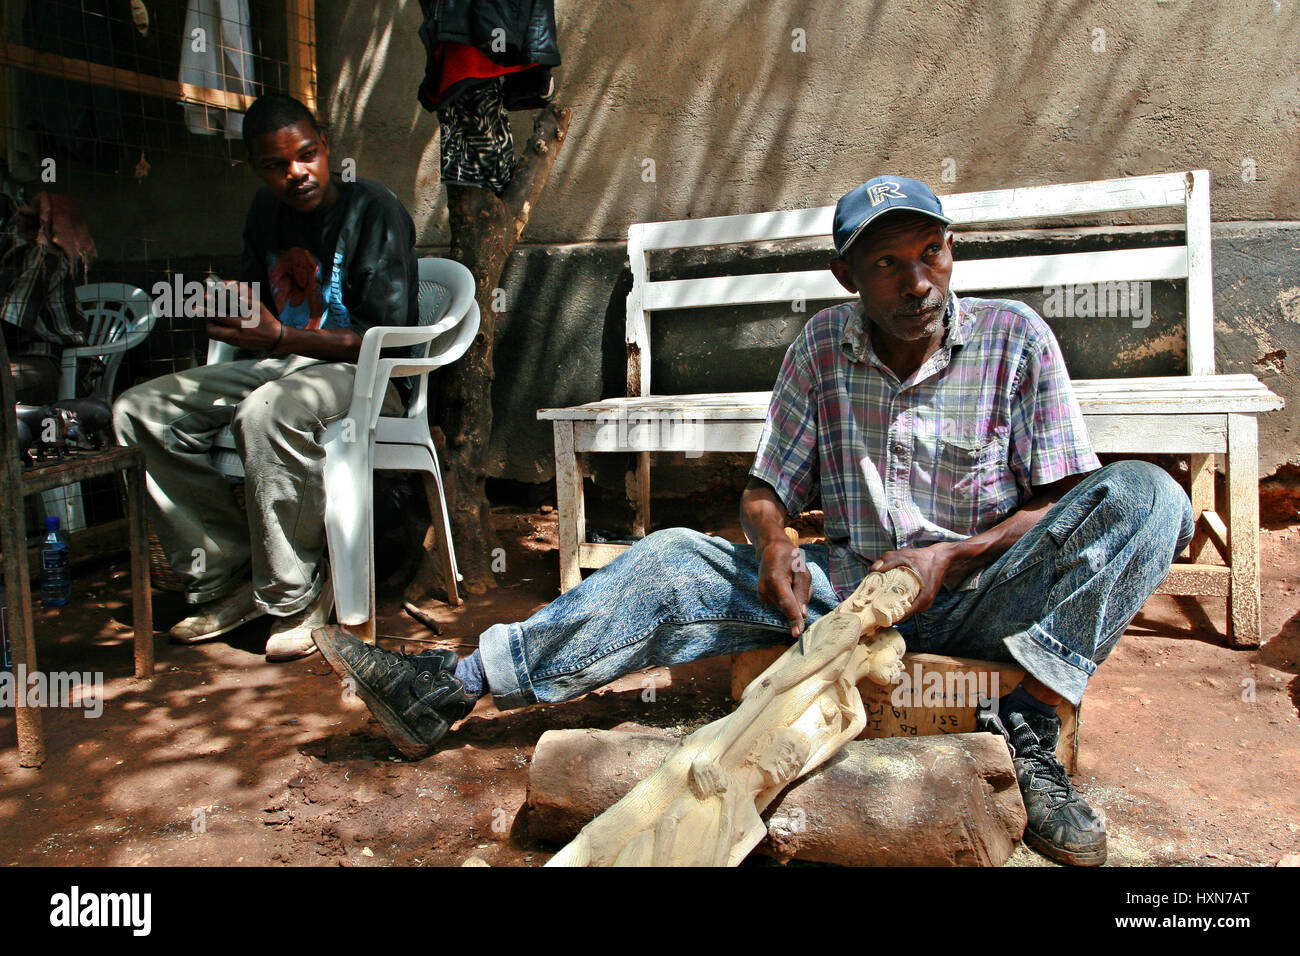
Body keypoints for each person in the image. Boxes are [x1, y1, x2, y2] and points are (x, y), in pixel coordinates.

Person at [313, 175, 1193, 866]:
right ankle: (450, 686)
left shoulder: (1016, 339)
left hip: (988, 589)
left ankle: (1029, 732)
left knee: (1148, 497)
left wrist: (951, 560)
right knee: (672, 561)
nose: (917, 282)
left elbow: (1059, 508)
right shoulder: (819, 347)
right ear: (847, 276)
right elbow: (768, 486)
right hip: (848, 590)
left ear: (952, 251)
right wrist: (774, 543)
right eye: (887, 264)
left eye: (931, 253)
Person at [113, 93, 419, 662]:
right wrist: (226, 310)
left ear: (325, 146)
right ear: (258, 167)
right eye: (276, 165)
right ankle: (225, 574)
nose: (296, 173)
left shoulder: (373, 209)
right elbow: (257, 307)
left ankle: (291, 594)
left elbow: (384, 337)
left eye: (306, 155)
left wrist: (278, 338)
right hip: (279, 364)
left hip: (368, 379)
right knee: (140, 410)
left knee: (266, 410)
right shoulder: (264, 212)